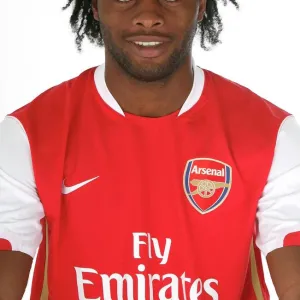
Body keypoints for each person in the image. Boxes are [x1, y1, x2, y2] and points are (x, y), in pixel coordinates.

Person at [0, 0, 300, 299]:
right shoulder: (30, 134)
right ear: (94, 6)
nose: (148, 16)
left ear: (200, 6)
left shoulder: (270, 134)